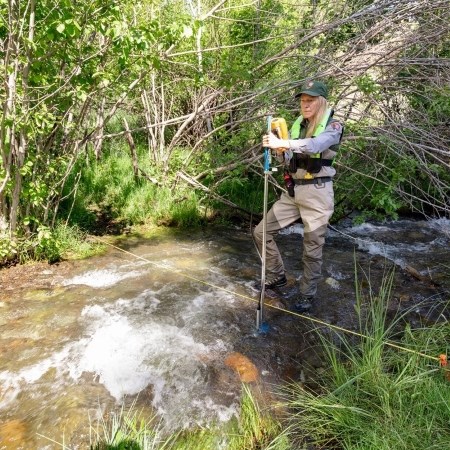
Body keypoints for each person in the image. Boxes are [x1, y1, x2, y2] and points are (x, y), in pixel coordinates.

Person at [253, 80, 344, 312]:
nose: (305, 104)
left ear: (321, 102)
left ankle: (306, 294)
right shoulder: (297, 126)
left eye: (310, 100)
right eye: (303, 100)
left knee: (311, 249)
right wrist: (278, 150)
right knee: (261, 232)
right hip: (294, 192)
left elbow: (315, 146)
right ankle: (276, 276)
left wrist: (283, 142)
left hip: (318, 193)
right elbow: (288, 160)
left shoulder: (333, 126)